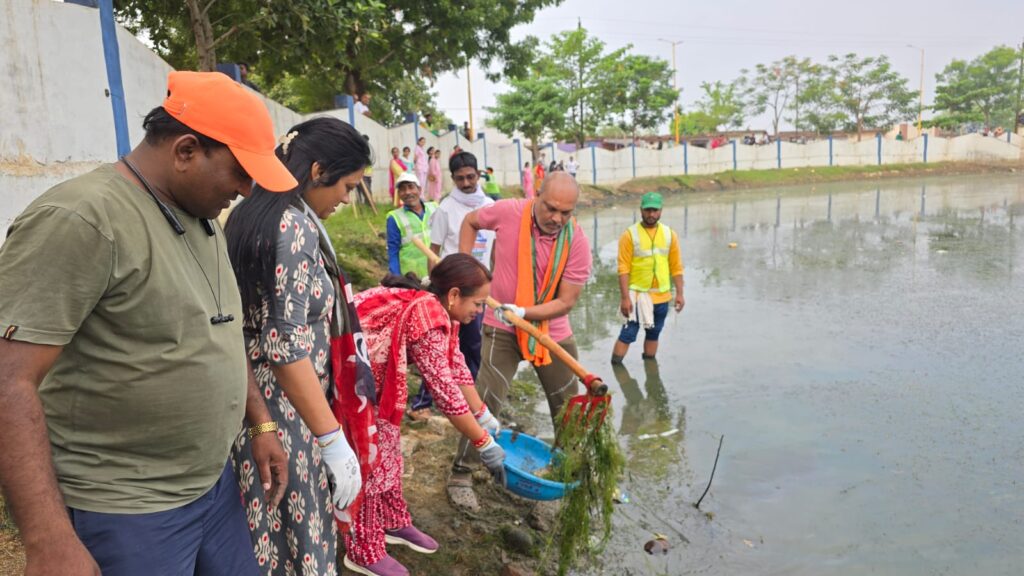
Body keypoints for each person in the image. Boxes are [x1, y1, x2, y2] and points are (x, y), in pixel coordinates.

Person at [0, 71, 293, 575]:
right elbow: (8, 381)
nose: (246, 190)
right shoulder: (83, 220)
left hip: (211, 487)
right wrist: (47, 539)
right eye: (240, 172)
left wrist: (260, 421)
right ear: (185, 151)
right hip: (125, 509)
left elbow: (218, 330)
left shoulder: (201, 217)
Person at [225, 116, 374, 574]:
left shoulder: (251, 213)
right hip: (287, 405)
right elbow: (284, 344)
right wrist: (331, 439)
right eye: (346, 186)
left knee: (266, 523)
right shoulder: (292, 227)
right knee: (300, 523)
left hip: (255, 400)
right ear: (316, 171)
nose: (346, 200)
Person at [347, 254, 507, 575]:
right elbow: (444, 393)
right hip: (352, 377)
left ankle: (393, 521)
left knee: (389, 449)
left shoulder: (440, 310)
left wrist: (482, 412)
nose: (480, 311)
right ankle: (362, 548)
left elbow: (455, 363)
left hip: (374, 378)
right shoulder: (429, 314)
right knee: (371, 461)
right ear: (454, 295)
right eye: (477, 303)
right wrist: (483, 441)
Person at [448, 172, 593, 511]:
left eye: (566, 212)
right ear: (536, 196)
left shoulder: (578, 242)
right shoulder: (509, 211)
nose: (557, 218)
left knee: (569, 409)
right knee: (485, 400)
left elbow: (567, 301)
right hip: (500, 325)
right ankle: (461, 473)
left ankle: (565, 474)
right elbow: (470, 222)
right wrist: (467, 267)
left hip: (549, 329)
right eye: (551, 208)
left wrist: (526, 311)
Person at [422, 152, 495, 416]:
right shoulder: (445, 208)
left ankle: (470, 398)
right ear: (452, 179)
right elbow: (434, 249)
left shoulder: (489, 206)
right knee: (438, 345)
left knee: (473, 343)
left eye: (470, 177)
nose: (466, 183)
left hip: (478, 292)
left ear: (478, 175)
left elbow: (494, 248)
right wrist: (436, 290)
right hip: (451, 292)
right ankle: (424, 402)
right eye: (460, 178)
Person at [611, 192, 685, 363]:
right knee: (628, 334)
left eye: (655, 210)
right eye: (648, 210)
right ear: (641, 210)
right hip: (637, 296)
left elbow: (676, 266)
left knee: (654, 333)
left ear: (661, 211)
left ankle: (650, 370)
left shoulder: (669, 234)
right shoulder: (630, 235)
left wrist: (679, 293)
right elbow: (623, 268)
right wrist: (624, 298)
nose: (651, 214)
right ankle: (616, 367)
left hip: (662, 297)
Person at [387, 172, 439, 279]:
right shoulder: (394, 217)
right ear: (399, 194)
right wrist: (396, 278)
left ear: (419, 190)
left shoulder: (435, 208)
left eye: (411, 187)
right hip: (412, 278)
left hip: (437, 272)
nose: (407, 192)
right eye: (402, 189)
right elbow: (393, 251)